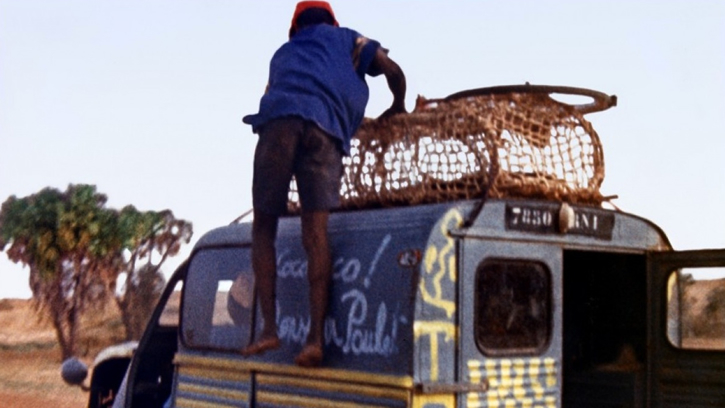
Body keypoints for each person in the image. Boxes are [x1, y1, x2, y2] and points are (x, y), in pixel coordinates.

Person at [241, 1, 406, 367]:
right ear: (332, 21)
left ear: (295, 27)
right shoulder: (350, 41)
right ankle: (314, 340)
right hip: (325, 130)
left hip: (279, 125)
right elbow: (391, 69)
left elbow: (273, 96)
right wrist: (398, 104)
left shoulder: (284, 53)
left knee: (263, 228)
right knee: (315, 234)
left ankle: (269, 329)